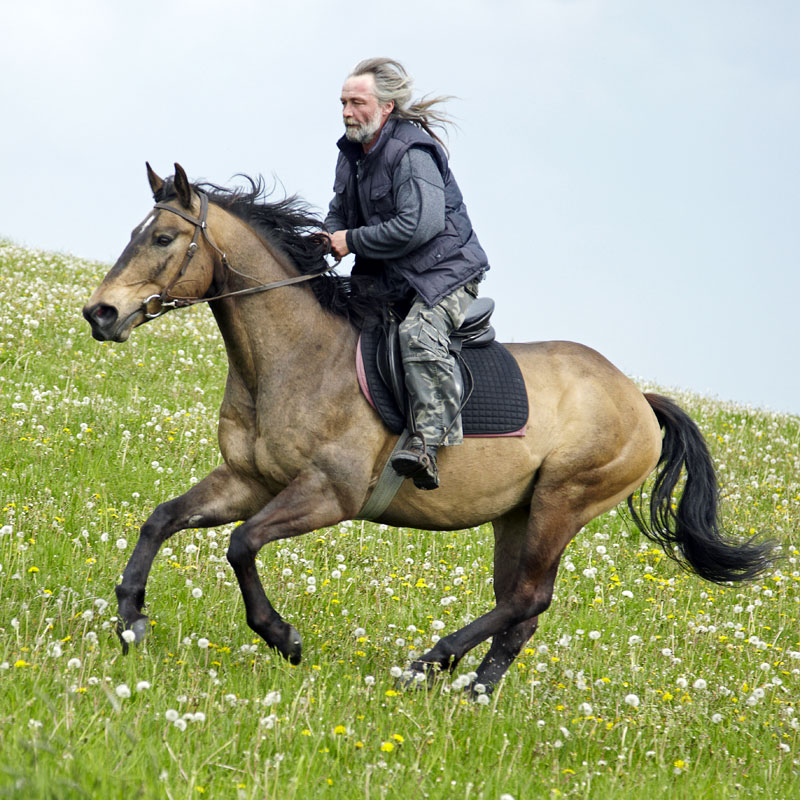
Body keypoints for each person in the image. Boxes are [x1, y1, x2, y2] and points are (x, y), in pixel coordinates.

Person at [324, 58, 489, 490]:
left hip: (443, 273)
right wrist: (325, 239)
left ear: (387, 107)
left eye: (357, 103)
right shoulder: (350, 155)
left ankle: (426, 444)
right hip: (387, 278)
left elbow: (421, 226)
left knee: (418, 333)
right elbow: (338, 214)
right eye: (343, 102)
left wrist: (352, 241)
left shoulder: (411, 152)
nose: (346, 112)